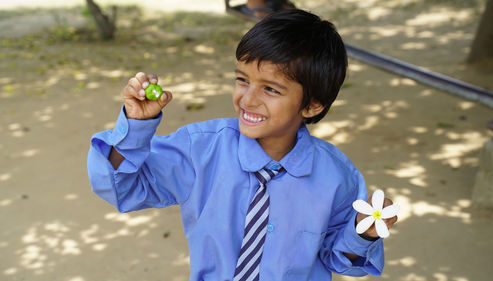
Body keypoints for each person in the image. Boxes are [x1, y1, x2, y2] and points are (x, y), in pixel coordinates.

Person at [87, 9, 397, 281]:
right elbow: (122, 189)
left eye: (271, 90)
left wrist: (362, 232)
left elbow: (336, 258)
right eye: (242, 80)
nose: (247, 99)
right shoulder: (200, 150)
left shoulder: (336, 177)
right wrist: (136, 126)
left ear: (313, 105)